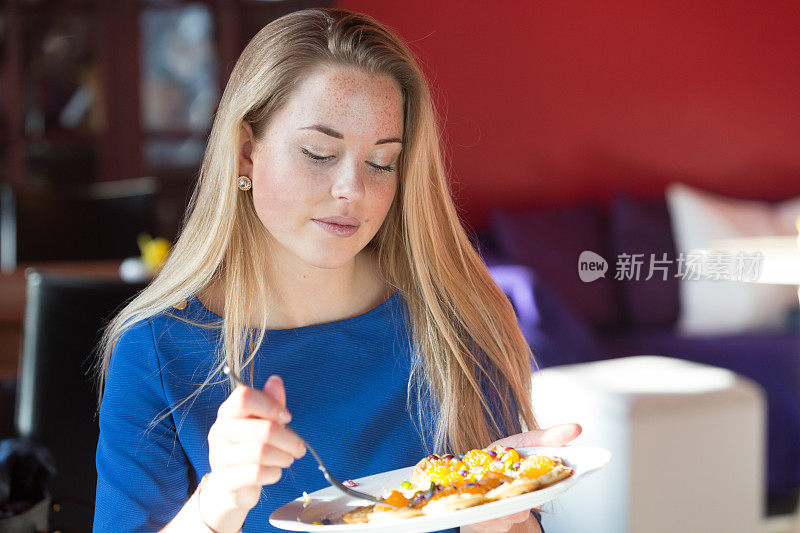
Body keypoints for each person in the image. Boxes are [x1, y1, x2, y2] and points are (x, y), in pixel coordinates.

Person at [93, 8, 581, 533]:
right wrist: (218, 506)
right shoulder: (158, 352)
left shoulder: (456, 318)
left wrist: (497, 519)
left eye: (381, 162)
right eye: (318, 152)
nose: (353, 189)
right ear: (244, 153)